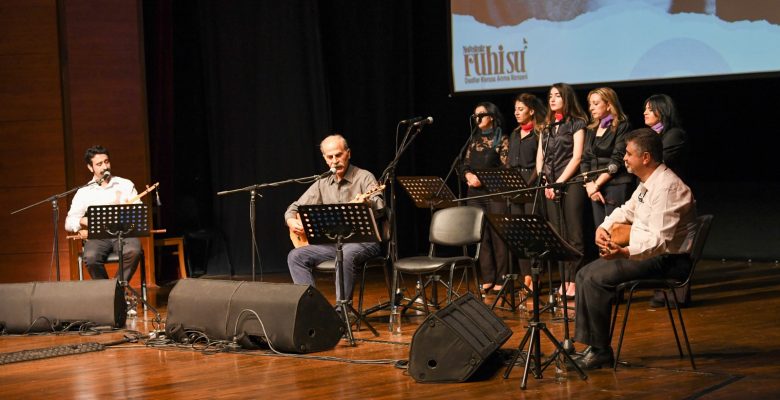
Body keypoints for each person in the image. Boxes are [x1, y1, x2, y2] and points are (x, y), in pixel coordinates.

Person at [573, 128, 697, 369]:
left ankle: (600, 352)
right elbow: (626, 210)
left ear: (646, 157)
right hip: (648, 253)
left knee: (596, 278)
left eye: (629, 154)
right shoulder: (647, 183)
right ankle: (593, 346)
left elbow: (660, 241)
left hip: (669, 261)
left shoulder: (669, 188)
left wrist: (625, 252)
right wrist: (604, 226)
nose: (625, 158)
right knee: (584, 274)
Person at [285, 134, 383, 304]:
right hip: (334, 243)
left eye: (338, 155)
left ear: (348, 153)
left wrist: (367, 204)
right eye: (330, 157)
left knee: (344, 254)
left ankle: (342, 311)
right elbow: (293, 208)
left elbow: (380, 206)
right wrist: (291, 220)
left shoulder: (365, 177)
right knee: (295, 256)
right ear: (324, 159)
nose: (335, 160)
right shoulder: (322, 183)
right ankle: (313, 308)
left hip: (364, 241)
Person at [536, 83, 587, 298]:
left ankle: (574, 280)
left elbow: (577, 157)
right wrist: (546, 181)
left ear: (567, 98)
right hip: (550, 184)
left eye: (558, 95)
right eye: (550, 96)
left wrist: (559, 182)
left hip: (571, 182)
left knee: (573, 233)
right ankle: (564, 280)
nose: (553, 99)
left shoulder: (577, 123)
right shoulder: (547, 126)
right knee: (558, 235)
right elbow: (540, 156)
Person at [65, 145, 142, 283]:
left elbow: (139, 210)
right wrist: (84, 221)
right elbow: (69, 222)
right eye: (99, 164)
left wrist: (129, 210)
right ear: (90, 167)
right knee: (91, 257)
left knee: (134, 251)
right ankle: (107, 291)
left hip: (123, 233)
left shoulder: (125, 184)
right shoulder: (84, 192)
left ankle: (117, 289)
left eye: (106, 162)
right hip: (98, 237)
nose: (104, 167)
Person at [643, 93, 691, 307]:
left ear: (662, 111)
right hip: (652, 195)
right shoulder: (649, 135)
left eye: (650, 109)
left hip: (671, 195)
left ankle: (678, 295)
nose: (645, 112)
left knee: (674, 243)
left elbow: (658, 161)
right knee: (657, 243)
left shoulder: (674, 134)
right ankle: (660, 292)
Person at [461, 101, 510, 295]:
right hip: (474, 194)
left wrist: (482, 179)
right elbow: (464, 164)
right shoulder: (473, 140)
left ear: (492, 117)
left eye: (481, 114)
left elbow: (506, 168)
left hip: (494, 193)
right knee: (481, 236)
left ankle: (502, 278)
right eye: (475, 115)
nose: (477, 118)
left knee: (498, 235)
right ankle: (488, 277)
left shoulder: (502, 139)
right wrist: (468, 176)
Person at [507, 93, 546, 290]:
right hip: (514, 189)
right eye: (515, 110)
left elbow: (538, 165)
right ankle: (525, 275)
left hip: (531, 188)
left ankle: (535, 275)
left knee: (532, 234)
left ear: (531, 111)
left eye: (520, 109)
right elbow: (509, 162)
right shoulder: (514, 134)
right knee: (519, 235)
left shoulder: (539, 134)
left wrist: (527, 185)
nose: (517, 113)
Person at [582, 87, 633, 227]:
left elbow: (617, 159)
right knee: (600, 231)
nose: (591, 108)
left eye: (596, 103)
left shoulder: (622, 126)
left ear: (609, 104)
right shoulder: (591, 129)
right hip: (594, 188)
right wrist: (589, 184)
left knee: (615, 232)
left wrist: (597, 184)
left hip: (616, 184)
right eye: (590, 104)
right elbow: (585, 159)